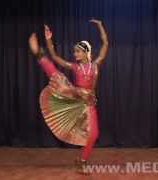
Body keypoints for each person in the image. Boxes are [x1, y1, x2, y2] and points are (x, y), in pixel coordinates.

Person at [28, 18, 108, 173]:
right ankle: (39, 53)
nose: (75, 54)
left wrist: (100, 26)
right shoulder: (75, 67)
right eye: (75, 51)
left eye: (77, 51)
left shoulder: (96, 65)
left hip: (89, 103)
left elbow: (105, 44)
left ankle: (82, 161)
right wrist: (49, 40)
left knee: (94, 134)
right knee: (57, 76)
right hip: (75, 98)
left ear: (86, 52)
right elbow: (56, 57)